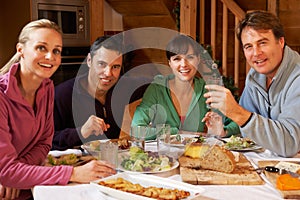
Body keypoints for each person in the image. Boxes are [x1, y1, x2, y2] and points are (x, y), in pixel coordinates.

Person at [0, 19, 115, 200]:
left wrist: (18, 174)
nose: (50, 57)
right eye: (41, 48)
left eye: (56, 51)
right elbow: (5, 170)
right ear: (20, 50)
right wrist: (73, 173)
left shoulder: (46, 89)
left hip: (26, 188)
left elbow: (44, 144)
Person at [204, 10, 300, 157]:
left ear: (280, 42)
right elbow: (247, 122)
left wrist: (236, 112)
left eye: (262, 43)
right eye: (248, 46)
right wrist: (224, 130)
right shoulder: (255, 76)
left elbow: (290, 144)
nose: (256, 53)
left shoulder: (297, 76)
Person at [131, 34, 240, 140]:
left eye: (190, 57)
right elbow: (136, 130)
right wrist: (178, 133)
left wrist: (223, 131)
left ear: (198, 60)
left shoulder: (206, 89)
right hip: (163, 156)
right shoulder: (157, 89)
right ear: (170, 63)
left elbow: (237, 123)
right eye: (177, 59)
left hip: (196, 154)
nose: (184, 64)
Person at [52, 35, 149, 150]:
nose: (108, 73)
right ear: (89, 60)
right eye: (102, 64)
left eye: (115, 67)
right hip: (76, 164)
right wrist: (81, 131)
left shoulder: (123, 87)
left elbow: (157, 82)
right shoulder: (61, 95)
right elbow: (48, 141)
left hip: (113, 161)